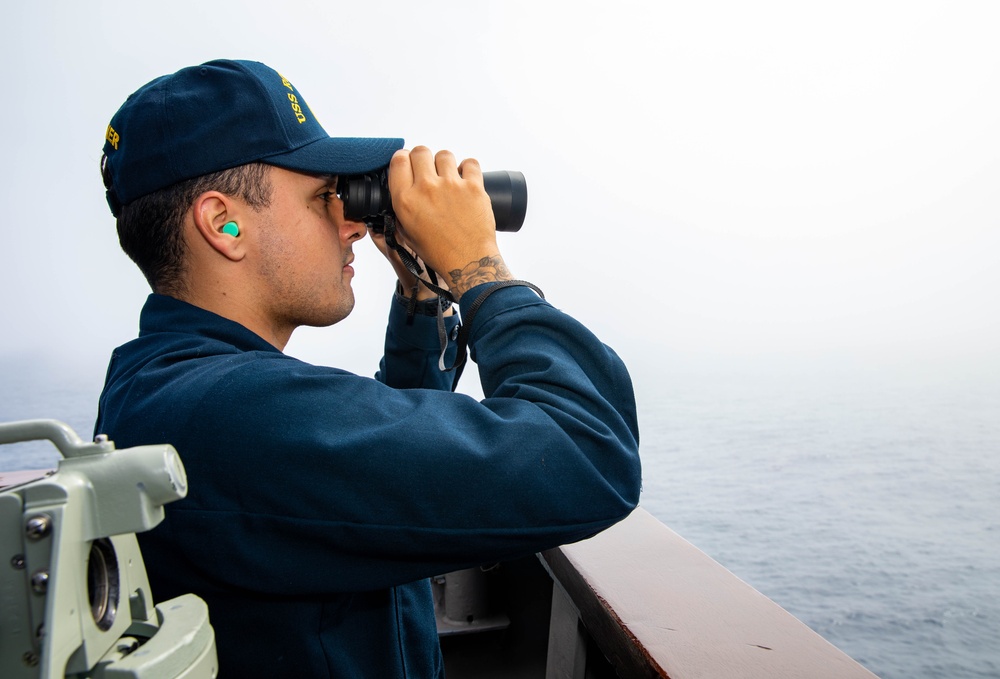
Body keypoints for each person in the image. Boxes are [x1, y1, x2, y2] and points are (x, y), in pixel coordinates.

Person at [95, 58, 641, 678]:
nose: (354, 224)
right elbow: (588, 451)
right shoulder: (233, 414)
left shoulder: (168, 389)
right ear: (225, 223)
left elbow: (374, 465)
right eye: (324, 196)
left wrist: (424, 293)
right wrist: (481, 271)